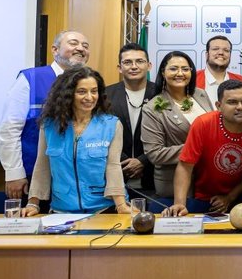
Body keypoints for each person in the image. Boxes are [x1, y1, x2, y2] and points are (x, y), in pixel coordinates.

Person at [22, 67, 130, 216]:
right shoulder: (49, 126)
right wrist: (33, 204)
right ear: (68, 94)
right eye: (82, 92)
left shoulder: (111, 124)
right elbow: (42, 166)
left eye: (94, 91)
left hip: (103, 209)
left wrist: (121, 205)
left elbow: (113, 167)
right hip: (62, 211)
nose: (89, 97)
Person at [0, 30, 90, 200]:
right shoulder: (31, 78)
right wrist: (14, 173)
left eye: (85, 46)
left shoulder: (89, 85)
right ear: (55, 50)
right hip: (33, 176)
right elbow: (10, 128)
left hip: (75, 180)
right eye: (73, 43)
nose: (80, 48)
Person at [164, 80, 242, 216]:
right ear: (219, 106)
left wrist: (230, 197)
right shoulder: (203, 123)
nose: (241, 107)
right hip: (206, 199)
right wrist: (179, 204)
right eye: (232, 102)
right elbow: (185, 166)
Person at [141, 51, 214, 197]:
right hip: (174, 185)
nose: (180, 73)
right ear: (163, 72)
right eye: (173, 69)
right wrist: (196, 148)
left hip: (207, 179)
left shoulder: (200, 94)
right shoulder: (152, 108)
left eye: (185, 69)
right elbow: (154, 153)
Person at [105, 43, 157, 192]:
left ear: (149, 65)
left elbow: (168, 134)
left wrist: (142, 161)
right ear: (119, 68)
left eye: (139, 61)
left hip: (154, 177)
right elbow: (101, 134)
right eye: (127, 62)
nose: (134, 66)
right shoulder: (105, 95)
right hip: (116, 175)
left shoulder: (161, 93)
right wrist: (125, 162)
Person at [196, 35, 242, 109]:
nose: (221, 52)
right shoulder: (192, 79)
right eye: (215, 49)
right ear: (207, 55)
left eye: (226, 50)